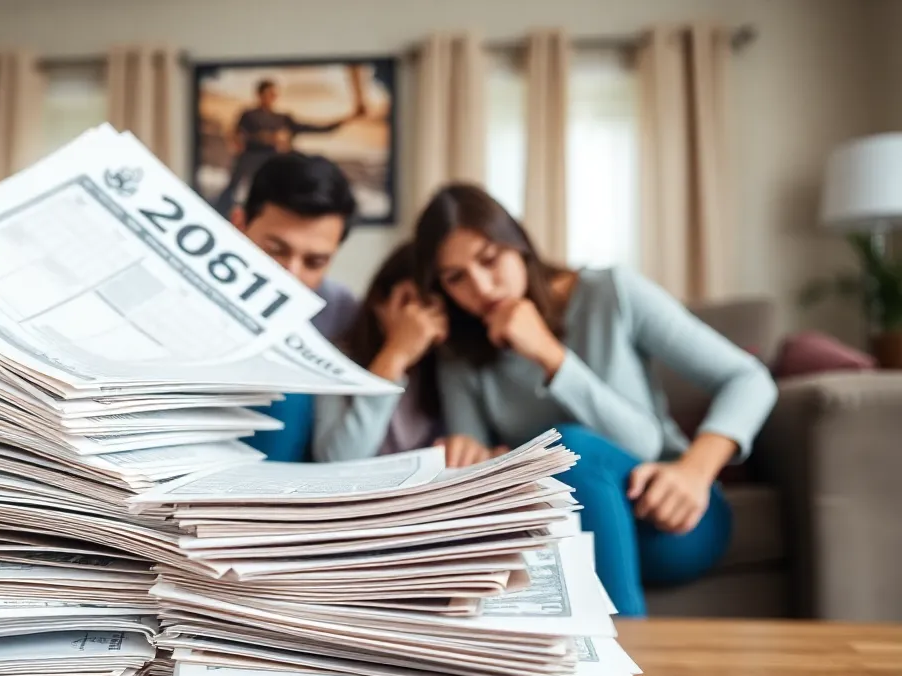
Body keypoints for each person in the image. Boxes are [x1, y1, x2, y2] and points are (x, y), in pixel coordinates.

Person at [414, 183, 778, 617]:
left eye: (490, 259)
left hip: (669, 515)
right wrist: (473, 457)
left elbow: (747, 380)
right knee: (557, 459)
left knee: (569, 446)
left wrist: (695, 470)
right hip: (559, 531)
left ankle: (615, 652)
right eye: (455, 277)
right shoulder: (459, 353)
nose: (481, 286)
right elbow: (484, 472)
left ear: (519, 243)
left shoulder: (611, 292)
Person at [313, 241, 500, 466]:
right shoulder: (338, 357)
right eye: (410, 302)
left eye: (433, 307)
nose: (420, 321)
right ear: (379, 303)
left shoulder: (451, 367)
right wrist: (395, 355)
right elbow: (336, 460)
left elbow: (471, 451)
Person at [232, 151, 362, 462]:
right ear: (239, 224)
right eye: (275, 250)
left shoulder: (342, 311)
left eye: (315, 262)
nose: (291, 275)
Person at [214, 79, 364, 216]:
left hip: (275, 164)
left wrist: (348, 119)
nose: (272, 97)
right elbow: (237, 136)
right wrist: (267, 138)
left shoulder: (283, 119)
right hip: (251, 159)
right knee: (235, 190)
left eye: (274, 94)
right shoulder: (249, 115)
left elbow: (317, 128)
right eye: (269, 93)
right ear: (260, 94)